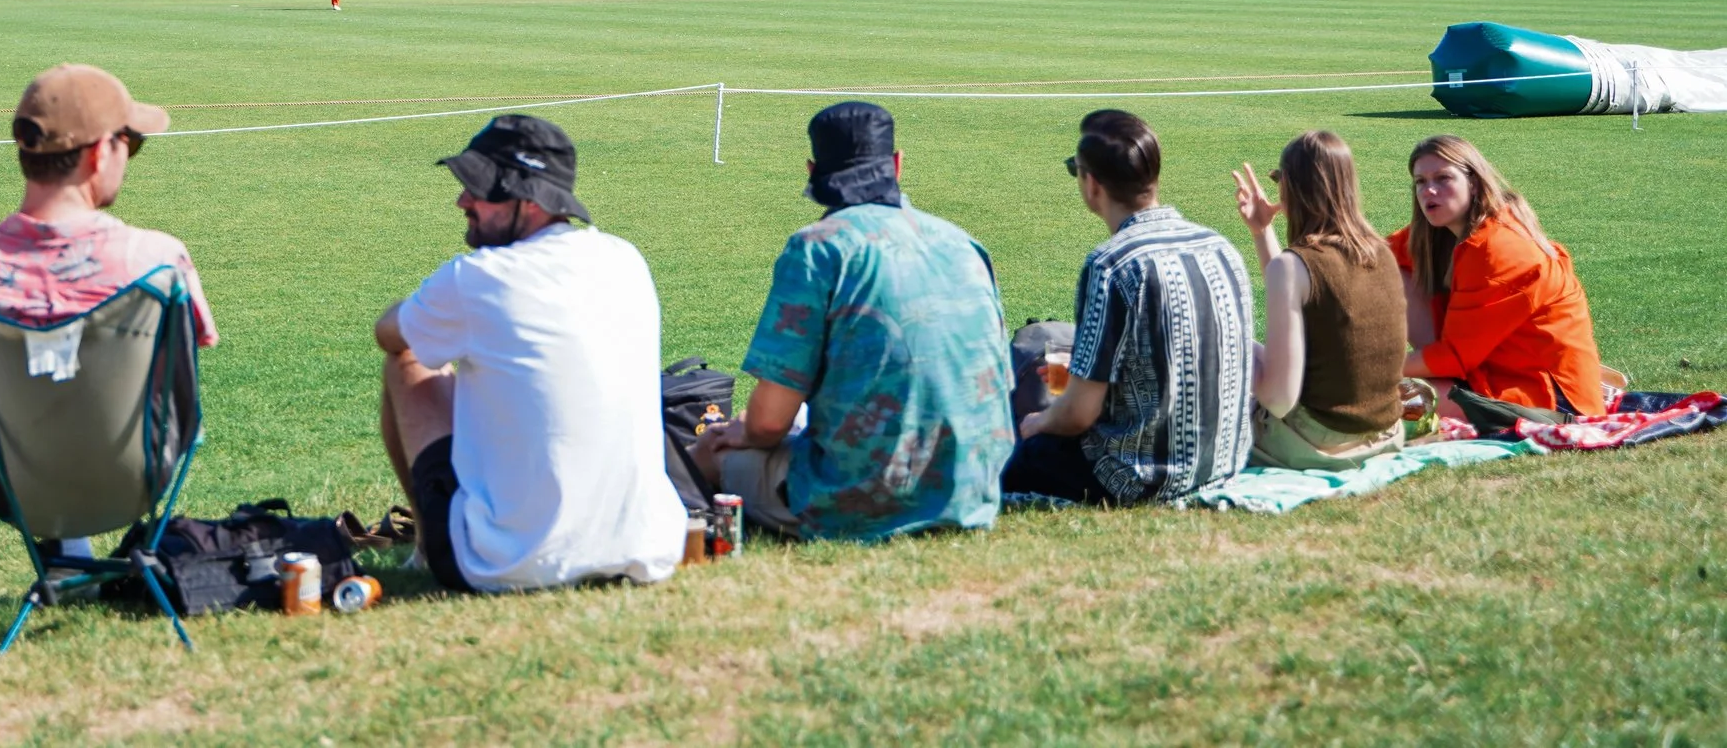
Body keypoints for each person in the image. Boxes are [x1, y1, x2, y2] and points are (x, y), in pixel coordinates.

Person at [0, 64, 217, 502]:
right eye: (130, 144)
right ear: (98, 154)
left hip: (6, 481)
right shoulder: (161, 261)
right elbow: (187, 361)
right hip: (140, 471)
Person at [374, 116, 686, 592]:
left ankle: (427, 546)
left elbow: (389, 335)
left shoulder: (477, 277)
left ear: (529, 203)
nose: (462, 201)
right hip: (646, 548)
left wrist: (424, 309)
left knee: (409, 361)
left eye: (478, 190)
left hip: (510, 565)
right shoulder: (625, 258)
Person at [692, 104, 1012, 539]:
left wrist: (738, 433)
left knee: (711, 451)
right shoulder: (964, 243)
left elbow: (767, 425)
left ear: (811, 170)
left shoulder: (817, 248)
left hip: (866, 501)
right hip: (973, 491)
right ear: (897, 164)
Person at [1005, 110, 1252, 503]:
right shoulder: (1219, 246)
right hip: (1221, 464)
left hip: (1138, 478)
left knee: (1005, 453)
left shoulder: (1111, 264)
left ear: (1091, 184)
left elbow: (1077, 417)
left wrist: (1037, 422)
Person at [1390, 135, 1605, 419]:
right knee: (1384, 269)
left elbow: (1455, 356)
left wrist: (1374, 369)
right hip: (1484, 373)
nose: (1429, 191)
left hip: (1550, 399)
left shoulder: (1498, 248)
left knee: (1381, 402)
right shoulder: (1439, 234)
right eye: (1420, 182)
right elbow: (1372, 255)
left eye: (1443, 178)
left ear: (1474, 183)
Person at [1230, 132, 1407, 468]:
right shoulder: (1381, 253)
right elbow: (1301, 294)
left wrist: (1231, 345)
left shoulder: (1296, 265)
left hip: (1315, 444)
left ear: (1290, 188)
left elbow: (1278, 400)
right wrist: (1261, 230)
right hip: (1386, 436)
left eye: (1279, 179)